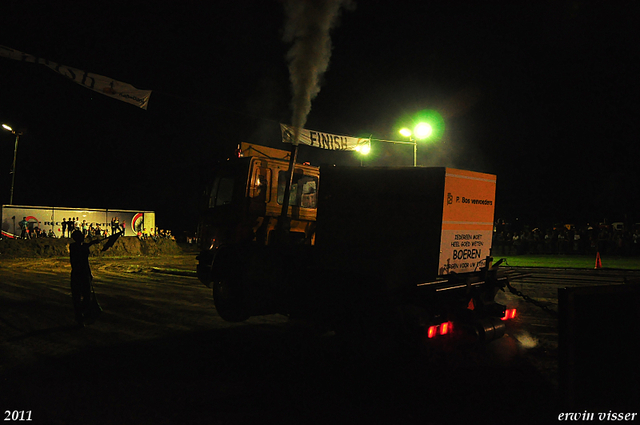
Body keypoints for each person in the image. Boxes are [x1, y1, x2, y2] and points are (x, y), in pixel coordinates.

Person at [69, 229, 102, 327]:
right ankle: (80, 316)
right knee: (78, 297)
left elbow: (86, 260)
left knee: (86, 296)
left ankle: (81, 315)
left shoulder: (80, 246)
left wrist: (90, 273)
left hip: (82, 273)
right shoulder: (74, 247)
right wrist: (92, 243)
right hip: (78, 274)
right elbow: (82, 249)